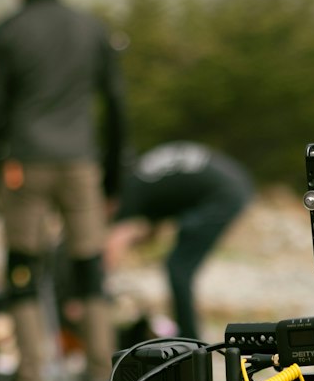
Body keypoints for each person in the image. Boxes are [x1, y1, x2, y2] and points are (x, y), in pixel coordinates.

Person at [0, 0, 126, 381]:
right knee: (90, 265)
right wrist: (114, 176)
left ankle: (31, 378)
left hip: (26, 163)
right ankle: (101, 374)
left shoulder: (8, 31)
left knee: (22, 265)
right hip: (82, 162)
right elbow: (116, 105)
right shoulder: (91, 27)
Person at [106, 143, 254, 340]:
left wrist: (98, 285)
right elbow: (153, 228)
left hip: (222, 195)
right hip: (234, 182)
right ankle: (187, 335)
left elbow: (114, 244)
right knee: (178, 266)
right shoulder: (143, 178)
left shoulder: (129, 193)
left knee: (178, 268)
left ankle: (190, 340)